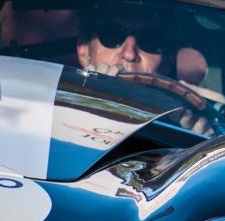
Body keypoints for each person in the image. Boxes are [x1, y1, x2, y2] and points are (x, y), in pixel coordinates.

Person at [76, 11, 212, 134]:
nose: (129, 54)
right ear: (83, 49)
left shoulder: (182, 121)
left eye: (151, 39)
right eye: (111, 35)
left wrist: (193, 140)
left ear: (169, 60)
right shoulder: (62, 113)